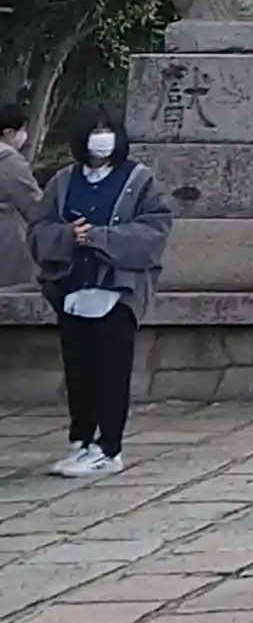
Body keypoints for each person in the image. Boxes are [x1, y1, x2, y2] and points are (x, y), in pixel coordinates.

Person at [30, 108, 174, 477]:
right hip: (72, 290)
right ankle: (81, 440)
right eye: (94, 131)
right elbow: (39, 229)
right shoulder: (63, 181)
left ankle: (109, 447)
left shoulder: (139, 180)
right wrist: (68, 236)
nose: (101, 138)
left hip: (117, 291)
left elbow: (154, 230)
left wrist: (99, 237)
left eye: (107, 130)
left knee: (111, 372)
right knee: (78, 373)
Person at [0, 102, 39, 291]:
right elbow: (32, 204)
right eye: (22, 130)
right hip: (6, 237)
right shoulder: (10, 161)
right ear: (9, 133)